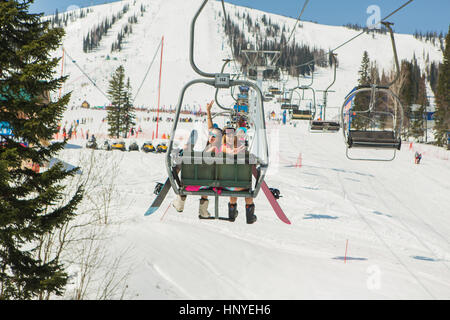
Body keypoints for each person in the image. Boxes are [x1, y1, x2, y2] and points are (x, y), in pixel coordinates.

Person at [172, 100, 223, 219]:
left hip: (191, 183)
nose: (212, 136)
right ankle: (203, 210)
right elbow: (211, 128)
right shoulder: (221, 151)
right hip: (209, 184)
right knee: (206, 176)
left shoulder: (208, 151)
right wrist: (208, 112)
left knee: (188, 173)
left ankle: (180, 202)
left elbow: (211, 129)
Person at [221, 126, 257, 224]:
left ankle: (232, 213)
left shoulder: (220, 149)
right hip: (242, 186)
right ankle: (250, 217)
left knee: (232, 181)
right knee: (246, 187)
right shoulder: (240, 151)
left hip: (225, 186)